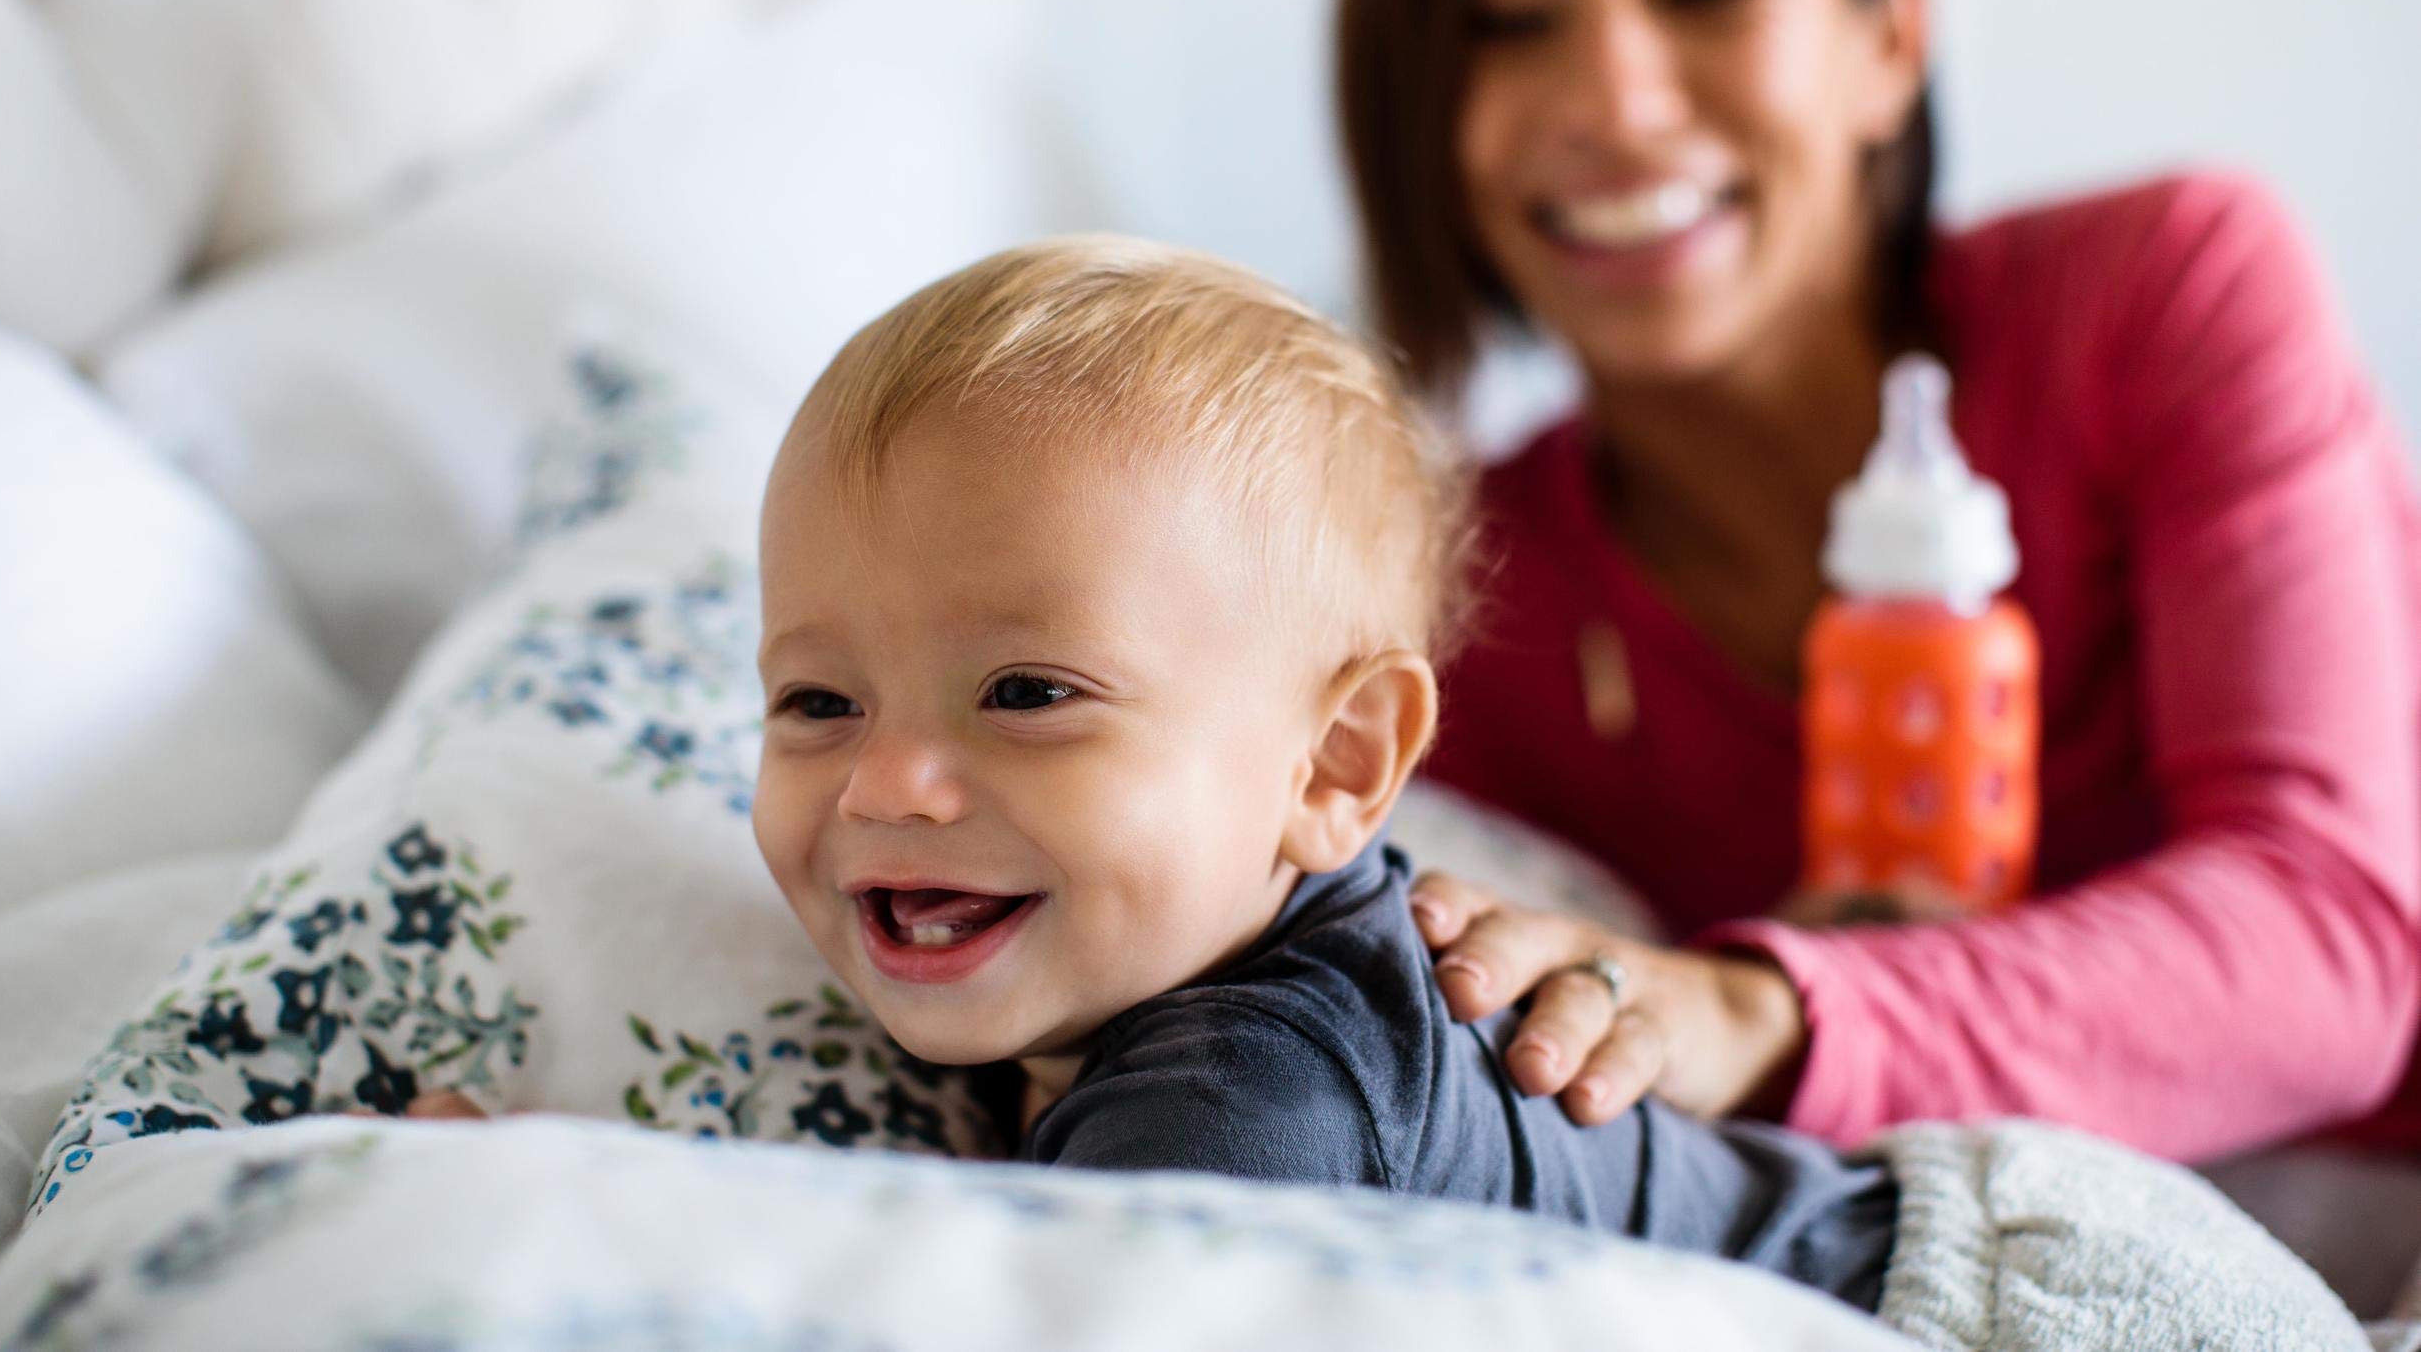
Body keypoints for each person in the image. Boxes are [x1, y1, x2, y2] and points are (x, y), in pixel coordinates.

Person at [1333, 0, 2421, 1180]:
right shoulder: (1453, 606)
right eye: (1504, 19)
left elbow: (2336, 937)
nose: (1614, 99)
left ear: (1891, 35)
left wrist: (1759, 1007)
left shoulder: (2171, 292)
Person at [743, 236, 1899, 1311]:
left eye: (1027, 693)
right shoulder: (1181, 955)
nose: (883, 784)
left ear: (1335, 766)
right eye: (818, 702)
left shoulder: (1242, 1100)